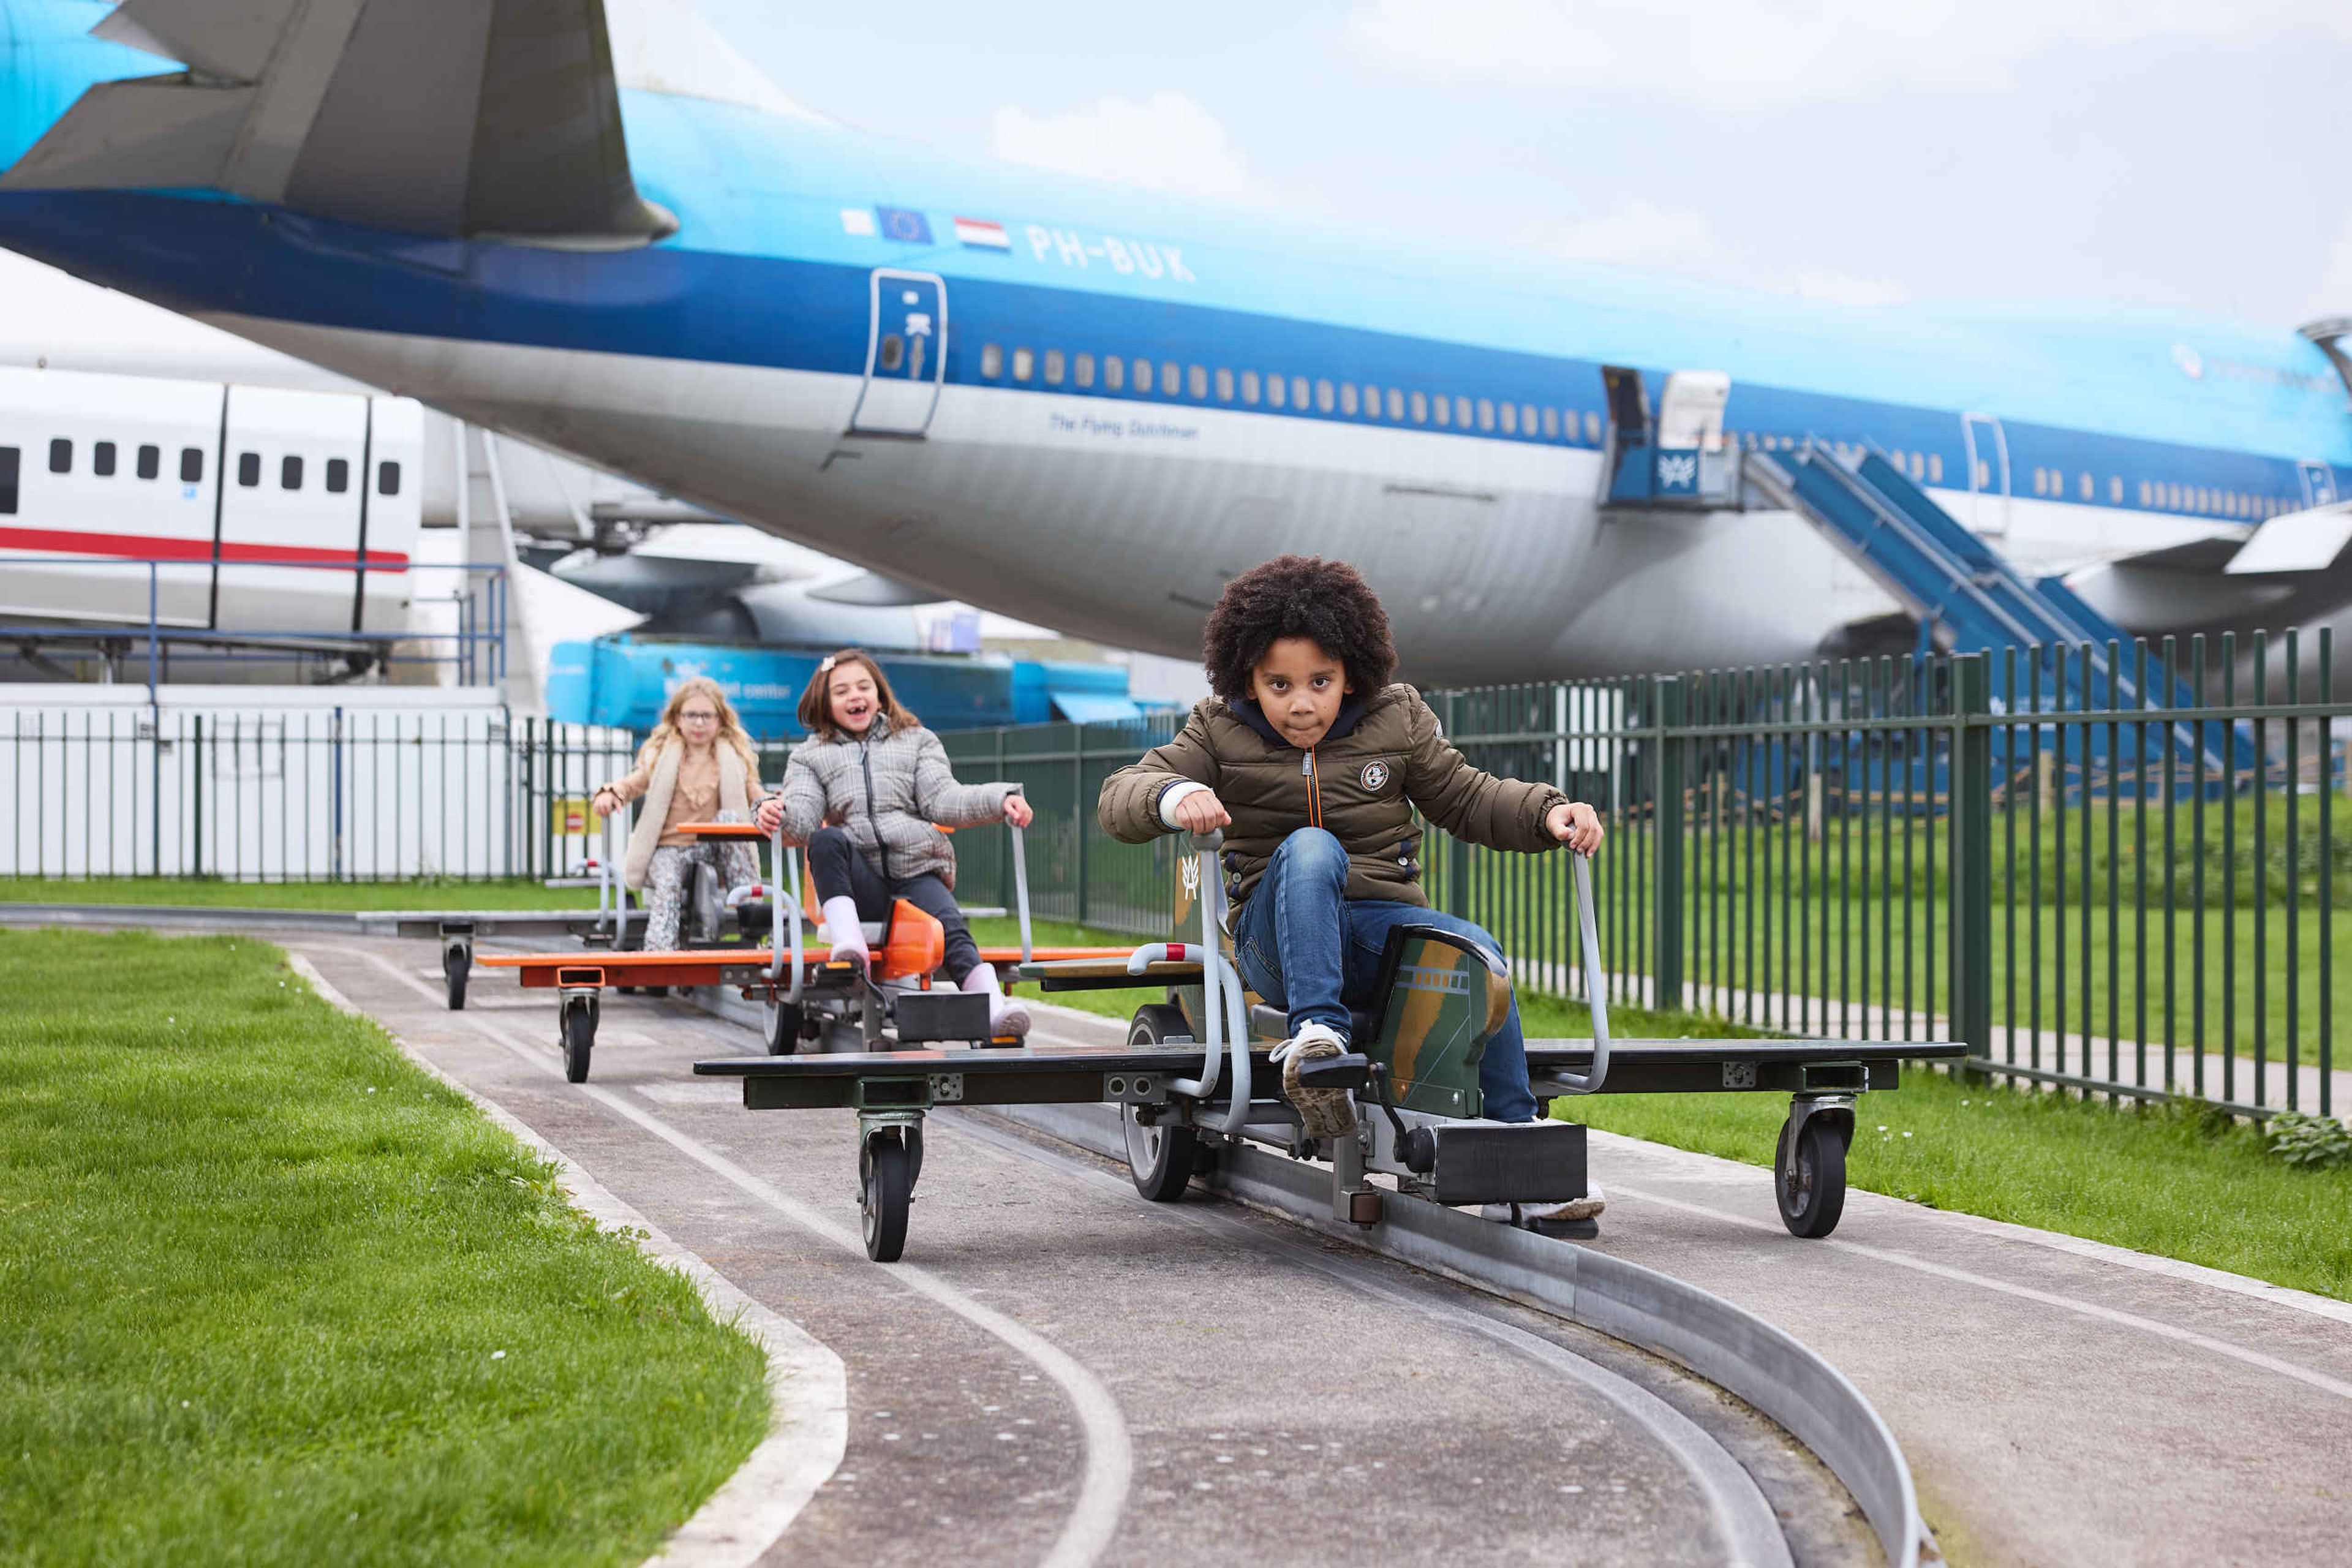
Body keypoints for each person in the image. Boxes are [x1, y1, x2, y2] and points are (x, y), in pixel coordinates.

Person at [1098, 554, 1604, 1139]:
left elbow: (1468, 798)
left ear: (1353, 675)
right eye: (1278, 685)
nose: (1302, 704)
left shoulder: (1399, 720)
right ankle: (1317, 1048)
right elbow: (1120, 796)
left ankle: (1515, 1137)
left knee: (1475, 950)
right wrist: (1174, 794)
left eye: (1321, 682)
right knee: (1312, 847)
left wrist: (1548, 813)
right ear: (1247, 679)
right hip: (1277, 942)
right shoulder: (1217, 729)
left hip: (1373, 931)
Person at [755, 649, 1038, 1038]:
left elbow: (944, 798)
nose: (855, 696)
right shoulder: (810, 756)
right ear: (825, 702)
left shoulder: (916, 740)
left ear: (879, 693)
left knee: (950, 927)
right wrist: (774, 812)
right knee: (824, 839)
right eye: (841, 691)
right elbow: (801, 818)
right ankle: (849, 945)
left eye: (863, 687)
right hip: (861, 884)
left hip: (916, 869)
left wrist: (998, 799)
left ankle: (991, 1008)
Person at [592, 676, 774, 956]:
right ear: (677, 719)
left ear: (720, 720)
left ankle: (751, 910)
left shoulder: (733, 758)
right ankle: (660, 952)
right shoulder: (662, 755)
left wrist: (768, 804)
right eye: (691, 715)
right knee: (669, 879)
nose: (699, 723)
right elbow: (634, 783)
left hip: (715, 848)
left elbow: (754, 791)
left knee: (730, 819)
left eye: (706, 716)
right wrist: (611, 793)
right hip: (671, 848)